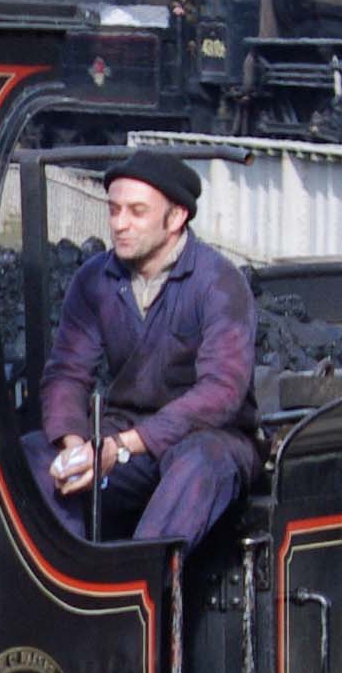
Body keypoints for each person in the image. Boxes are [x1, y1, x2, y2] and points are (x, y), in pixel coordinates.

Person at [32, 154, 256, 546]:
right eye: (114, 210)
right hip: (122, 434)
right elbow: (67, 372)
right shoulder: (94, 280)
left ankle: (142, 581)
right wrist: (76, 448)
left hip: (210, 436)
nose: (119, 224)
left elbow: (221, 391)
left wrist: (121, 446)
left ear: (176, 217)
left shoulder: (219, 282)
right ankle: (70, 572)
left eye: (137, 212)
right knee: (34, 455)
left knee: (198, 464)